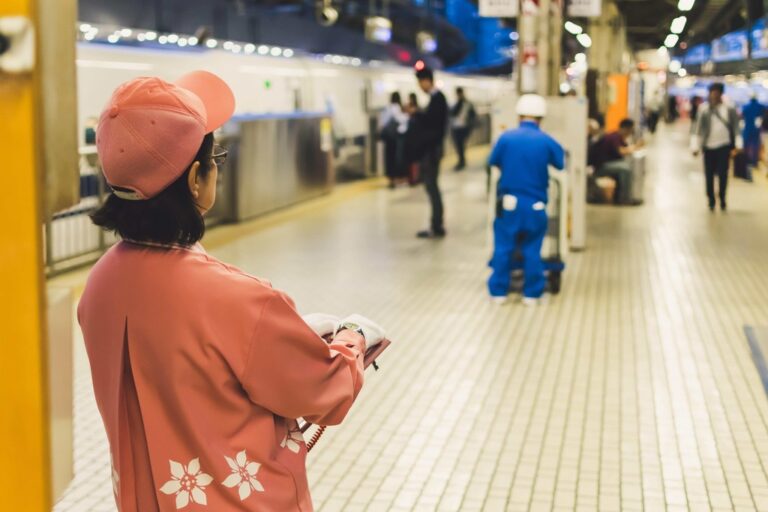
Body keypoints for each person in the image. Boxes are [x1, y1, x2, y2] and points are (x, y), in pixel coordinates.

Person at [78, 71, 388, 511]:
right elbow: (325, 393)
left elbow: (186, 366)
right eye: (215, 159)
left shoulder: (100, 283)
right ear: (195, 181)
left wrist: (282, 334)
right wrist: (353, 338)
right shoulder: (241, 300)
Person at [487, 94, 565, 306]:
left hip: (509, 204)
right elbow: (560, 164)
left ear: (519, 115)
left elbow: (493, 161)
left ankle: (499, 293)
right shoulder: (547, 140)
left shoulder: (506, 138)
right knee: (532, 250)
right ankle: (532, 294)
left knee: (503, 248)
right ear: (541, 117)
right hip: (536, 205)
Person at [691, 82, 742, 211]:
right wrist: (695, 146)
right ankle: (711, 199)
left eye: (716, 92)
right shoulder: (704, 109)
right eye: (712, 92)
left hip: (724, 147)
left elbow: (736, 127)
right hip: (708, 147)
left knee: (723, 175)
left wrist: (738, 144)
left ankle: (723, 198)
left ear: (721, 94)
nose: (714, 95)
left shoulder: (729, 108)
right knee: (708, 175)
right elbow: (697, 128)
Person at [413, 67, 448, 239]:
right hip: (433, 150)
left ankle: (437, 225)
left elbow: (432, 126)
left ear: (427, 80)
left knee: (432, 186)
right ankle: (436, 224)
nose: (420, 86)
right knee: (431, 186)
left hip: (432, 152)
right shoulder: (436, 99)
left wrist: (417, 115)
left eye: (420, 82)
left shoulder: (437, 99)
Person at [591, 118, 643, 205]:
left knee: (624, 167)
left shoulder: (619, 138)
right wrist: (636, 147)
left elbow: (624, 149)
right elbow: (621, 151)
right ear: (625, 129)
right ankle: (625, 199)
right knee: (626, 169)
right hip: (601, 167)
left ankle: (621, 197)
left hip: (607, 165)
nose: (630, 133)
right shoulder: (614, 137)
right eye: (630, 131)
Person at [379, 92, 410, 188]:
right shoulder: (400, 109)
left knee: (389, 158)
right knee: (399, 158)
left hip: (389, 139)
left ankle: (391, 180)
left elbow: (383, 123)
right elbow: (404, 121)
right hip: (398, 138)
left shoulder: (387, 109)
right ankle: (400, 179)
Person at [450, 87, 476, 171]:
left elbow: (472, 116)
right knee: (459, 146)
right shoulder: (457, 103)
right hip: (457, 128)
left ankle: (461, 162)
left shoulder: (466, 104)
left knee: (460, 146)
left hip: (463, 128)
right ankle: (461, 161)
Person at [741, 93, 765, 169]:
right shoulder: (760, 106)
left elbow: (742, 115)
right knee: (755, 145)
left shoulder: (745, 106)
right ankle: (754, 162)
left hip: (747, 128)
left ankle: (746, 161)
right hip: (756, 128)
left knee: (746, 145)